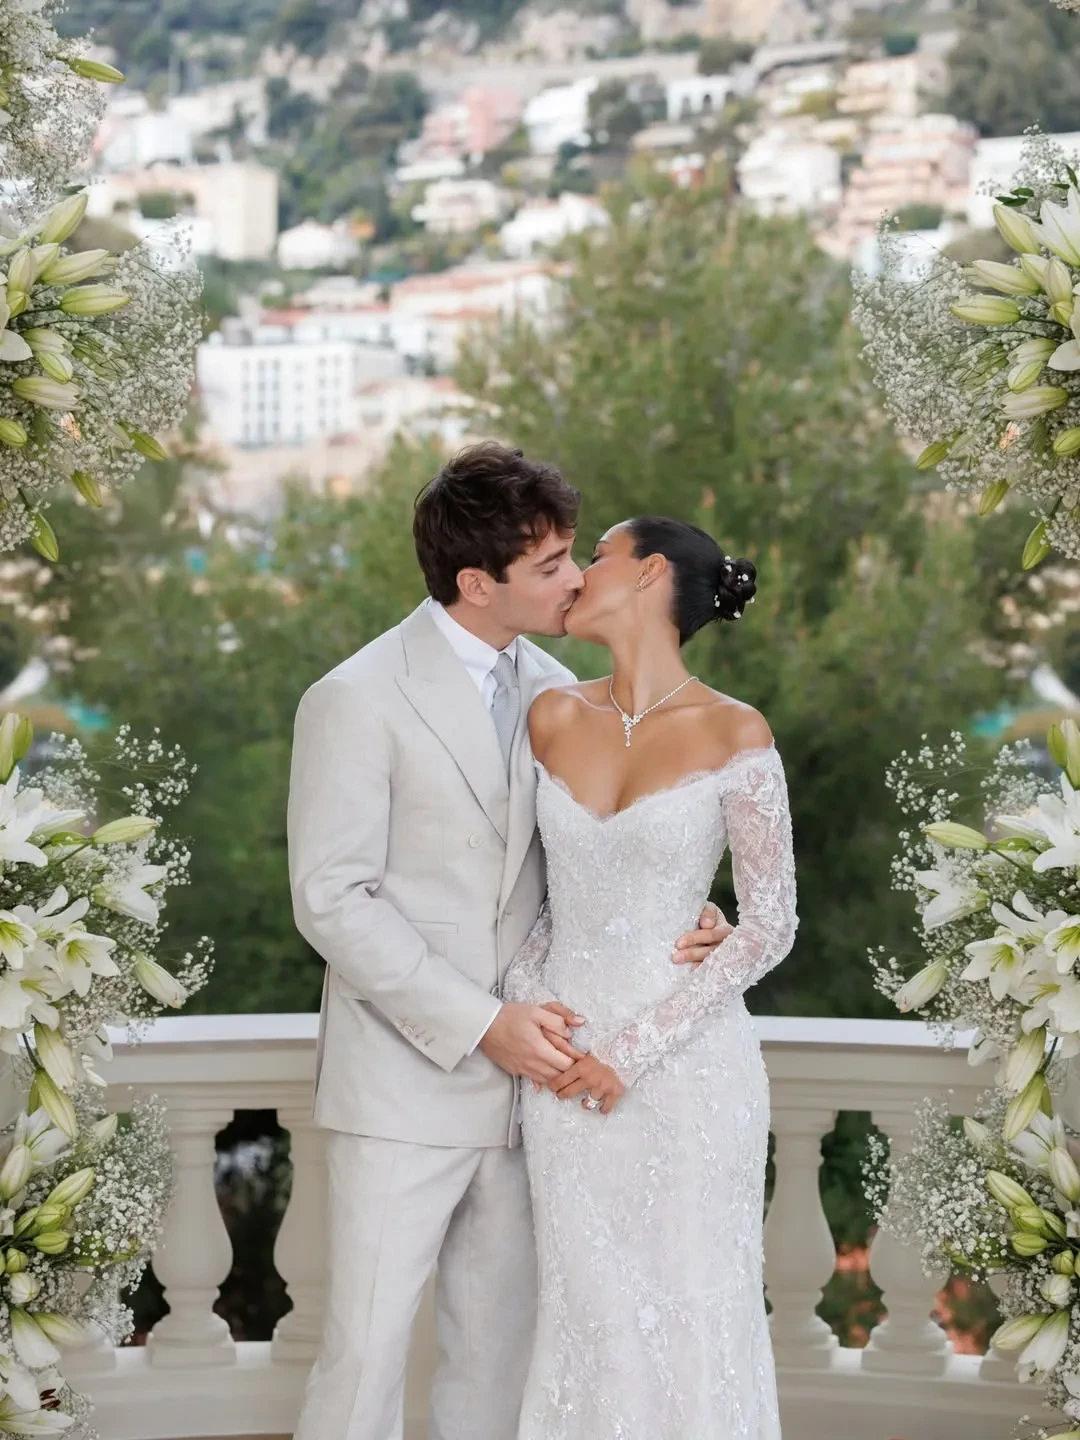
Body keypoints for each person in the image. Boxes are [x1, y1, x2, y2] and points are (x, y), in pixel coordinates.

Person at [285, 444, 729, 1440]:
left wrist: (693, 919)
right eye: (552, 564)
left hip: (538, 1099)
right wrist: (483, 1024)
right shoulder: (354, 697)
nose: (576, 580)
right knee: (362, 1360)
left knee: (497, 1365)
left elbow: (591, 863)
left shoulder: (559, 691)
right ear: (477, 583)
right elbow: (332, 899)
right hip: (401, 1089)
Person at [504, 515, 799, 1440]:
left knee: (695, 1318)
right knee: (589, 1321)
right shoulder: (550, 716)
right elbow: (534, 904)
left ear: (648, 574)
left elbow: (771, 924)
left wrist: (629, 1052)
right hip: (565, 1074)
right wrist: (527, 1005)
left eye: (596, 557)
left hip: (688, 1075)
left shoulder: (735, 730)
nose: (576, 574)